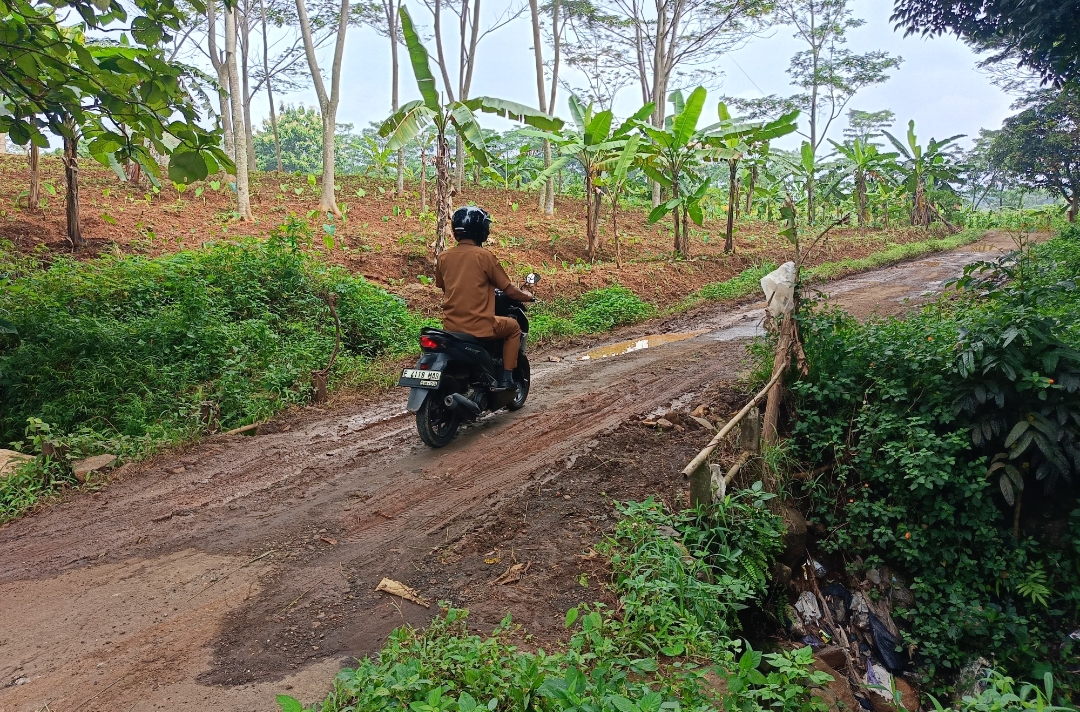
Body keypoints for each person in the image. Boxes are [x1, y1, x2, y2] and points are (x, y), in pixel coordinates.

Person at [435, 206, 534, 389]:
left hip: (451, 328)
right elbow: (509, 290)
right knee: (513, 328)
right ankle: (507, 378)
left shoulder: (443, 257)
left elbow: (443, 286)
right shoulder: (485, 256)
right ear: (481, 230)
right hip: (480, 326)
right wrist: (527, 296)